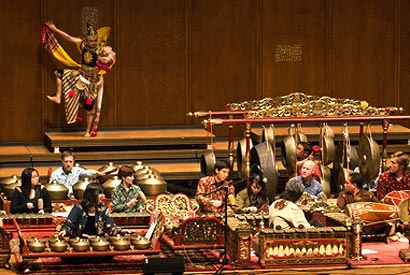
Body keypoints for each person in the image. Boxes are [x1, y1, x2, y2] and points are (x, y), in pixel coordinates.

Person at [41, 20, 116, 137]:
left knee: (89, 106)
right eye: (90, 40)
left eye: (94, 41)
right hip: (80, 75)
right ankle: (58, 96)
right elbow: (69, 38)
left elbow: (111, 54)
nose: (91, 43)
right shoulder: (83, 44)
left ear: (96, 40)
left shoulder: (99, 49)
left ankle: (87, 131)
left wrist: (109, 58)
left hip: (92, 81)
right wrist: (55, 30)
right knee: (59, 73)